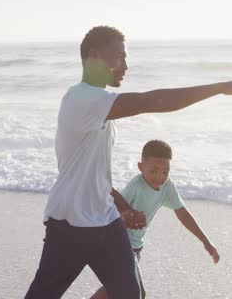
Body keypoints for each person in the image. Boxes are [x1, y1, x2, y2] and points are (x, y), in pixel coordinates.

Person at [24, 25, 232, 299]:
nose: (125, 66)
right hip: (70, 224)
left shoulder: (99, 106)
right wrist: (219, 88)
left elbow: (97, 177)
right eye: (119, 57)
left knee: (131, 295)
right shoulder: (81, 99)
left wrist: (123, 207)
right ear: (95, 56)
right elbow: (151, 100)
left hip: (106, 222)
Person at [90, 140, 220, 299]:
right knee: (135, 292)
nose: (159, 177)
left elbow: (183, 214)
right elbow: (113, 214)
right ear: (140, 167)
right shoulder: (135, 186)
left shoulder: (167, 187)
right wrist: (129, 220)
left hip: (136, 247)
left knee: (116, 288)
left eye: (165, 172)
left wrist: (205, 241)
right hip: (119, 244)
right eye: (154, 171)